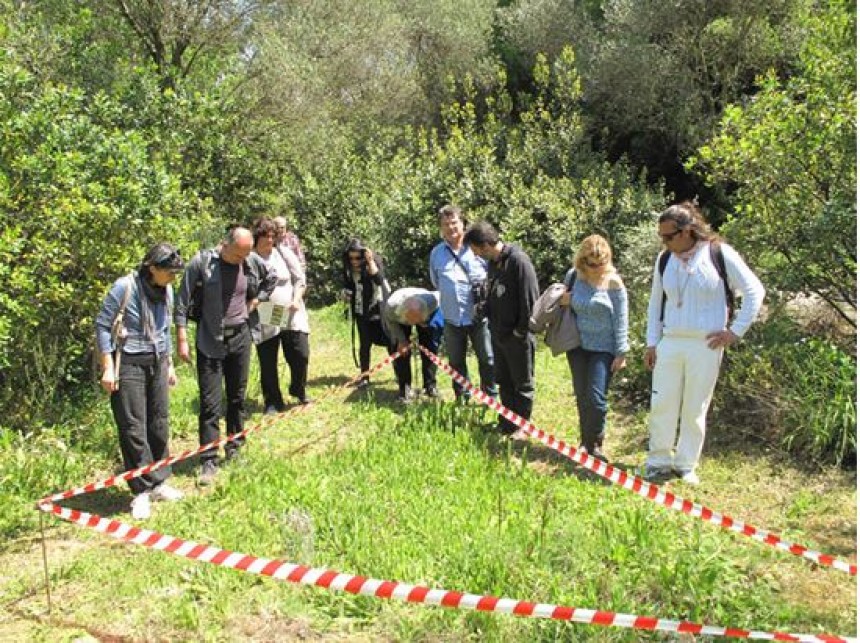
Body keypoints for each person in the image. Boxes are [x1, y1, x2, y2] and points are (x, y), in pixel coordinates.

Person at [643, 201, 765, 484]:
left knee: (695, 405)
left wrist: (735, 332)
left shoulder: (718, 253)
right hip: (670, 342)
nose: (665, 242)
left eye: (669, 236)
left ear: (687, 231)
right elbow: (655, 305)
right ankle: (658, 460)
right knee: (662, 402)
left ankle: (686, 464)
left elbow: (754, 290)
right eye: (661, 237)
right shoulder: (664, 260)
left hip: (706, 344)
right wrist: (652, 343)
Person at [175, 226, 277, 486]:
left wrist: (256, 301)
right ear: (225, 245)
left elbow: (271, 277)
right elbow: (181, 302)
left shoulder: (250, 260)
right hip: (210, 340)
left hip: (241, 337)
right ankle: (208, 458)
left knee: (237, 397)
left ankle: (235, 447)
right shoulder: (201, 263)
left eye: (245, 255)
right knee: (210, 403)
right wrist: (182, 339)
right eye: (237, 256)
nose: (241, 261)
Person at [95, 243, 186, 520]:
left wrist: (168, 363)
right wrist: (108, 368)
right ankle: (140, 491)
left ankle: (159, 481)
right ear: (152, 268)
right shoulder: (125, 287)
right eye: (168, 273)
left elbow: (165, 328)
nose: (172, 278)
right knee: (133, 426)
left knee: (159, 421)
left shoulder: (166, 290)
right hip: (129, 362)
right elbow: (102, 325)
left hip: (156, 361)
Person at [464, 221, 539, 438]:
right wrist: (483, 309)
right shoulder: (493, 264)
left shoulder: (518, 261)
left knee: (522, 383)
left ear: (486, 245)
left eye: (476, 250)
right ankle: (507, 423)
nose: (476, 255)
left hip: (518, 337)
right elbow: (492, 294)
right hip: (498, 334)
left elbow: (530, 301)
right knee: (504, 381)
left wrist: (520, 332)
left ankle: (523, 427)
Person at [558, 235, 629, 462]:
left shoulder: (614, 282)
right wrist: (563, 301)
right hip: (578, 345)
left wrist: (621, 352)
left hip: (604, 347)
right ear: (583, 261)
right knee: (582, 395)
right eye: (592, 263)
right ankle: (586, 443)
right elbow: (561, 303)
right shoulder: (574, 277)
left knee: (596, 398)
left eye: (602, 263)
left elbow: (621, 319)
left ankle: (596, 441)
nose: (598, 268)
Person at [429, 204, 497, 402]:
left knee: (487, 358)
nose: (451, 228)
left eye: (454, 222)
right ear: (441, 228)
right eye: (445, 224)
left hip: (479, 317)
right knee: (456, 361)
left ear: (463, 224)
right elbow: (436, 281)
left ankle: (490, 395)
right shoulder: (437, 253)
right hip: (451, 317)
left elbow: (491, 277)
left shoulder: (478, 247)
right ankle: (462, 396)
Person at [250, 217, 311, 414]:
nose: (269, 240)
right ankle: (273, 401)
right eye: (265, 236)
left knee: (300, 353)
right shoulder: (250, 259)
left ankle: (298, 388)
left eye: (272, 236)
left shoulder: (283, 253)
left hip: (291, 310)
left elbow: (300, 279)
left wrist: (296, 299)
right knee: (268, 358)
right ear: (257, 238)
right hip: (267, 313)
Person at [381, 287, 444, 403]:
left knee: (430, 348)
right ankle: (405, 389)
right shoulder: (392, 308)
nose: (413, 323)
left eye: (416, 320)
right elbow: (391, 322)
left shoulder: (433, 302)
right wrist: (401, 340)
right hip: (400, 318)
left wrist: (425, 323)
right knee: (401, 352)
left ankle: (430, 386)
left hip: (426, 315)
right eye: (411, 320)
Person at [341, 238, 388, 388]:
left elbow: (380, 280)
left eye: (358, 257)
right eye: (351, 257)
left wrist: (370, 262)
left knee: (389, 342)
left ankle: (401, 376)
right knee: (364, 345)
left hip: (378, 309)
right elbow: (348, 285)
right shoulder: (348, 269)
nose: (354, 261)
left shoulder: (374, 262)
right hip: (361, 310)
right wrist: (345, 294)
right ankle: (364, 376)